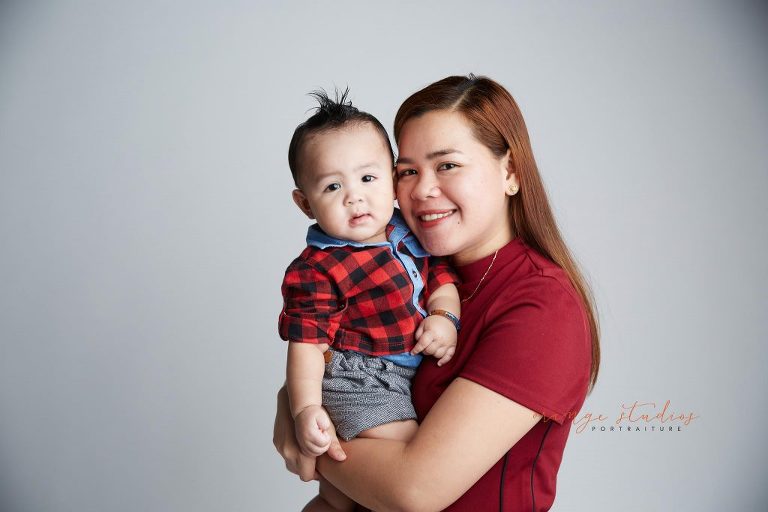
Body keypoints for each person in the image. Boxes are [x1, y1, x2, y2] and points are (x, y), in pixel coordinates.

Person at [274, 75, 600, 511]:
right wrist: (297, 405)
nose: (422, 189)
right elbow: (322, 356)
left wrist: (302, 435)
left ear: (511, 172)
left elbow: (413, 491)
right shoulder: (416, 271)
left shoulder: (541, 304)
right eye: (407, 171)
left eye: (447, 165)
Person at [279, 90, 461, 511]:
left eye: (367, 178)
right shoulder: (319, 268)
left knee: (343, 501)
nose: (354, 196)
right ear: (305, 203)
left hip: (398, 372)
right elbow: (307, 343)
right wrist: (305, 408)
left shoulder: (405, 230)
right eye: (332, 186)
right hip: (361, 379)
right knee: (409, 467)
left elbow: (440, 275)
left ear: (394, 181)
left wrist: (445, 316)